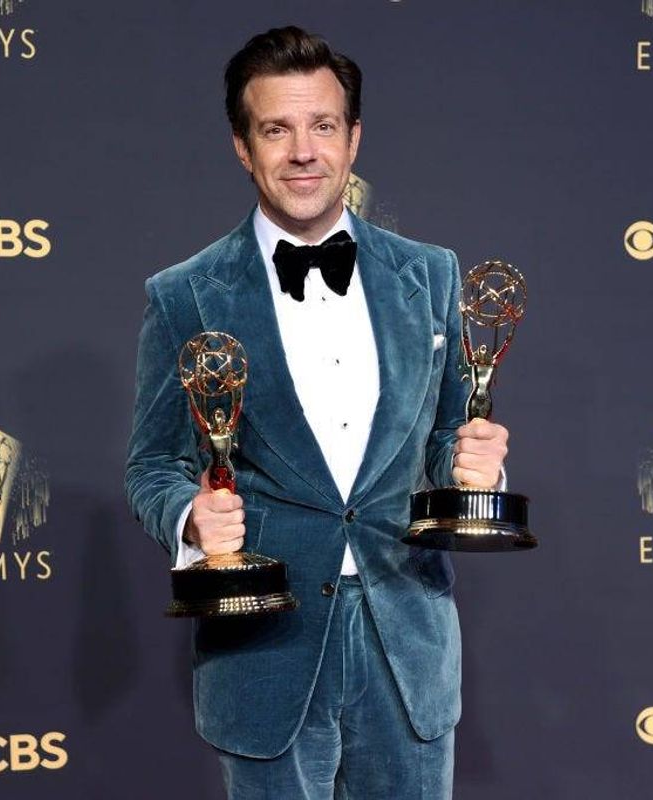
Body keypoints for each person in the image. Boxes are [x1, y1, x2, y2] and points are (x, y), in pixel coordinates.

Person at [125, 26, 509, 799]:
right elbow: (152, 466)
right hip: (265, 645)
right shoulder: (185, 294)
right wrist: (192, 518)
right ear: (243, 145)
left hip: (406, 641)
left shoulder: (430, 275)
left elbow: (437, 437)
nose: (303, 151)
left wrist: (472, 468)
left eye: (323, 125)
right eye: (277, 128)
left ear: (353, 138)